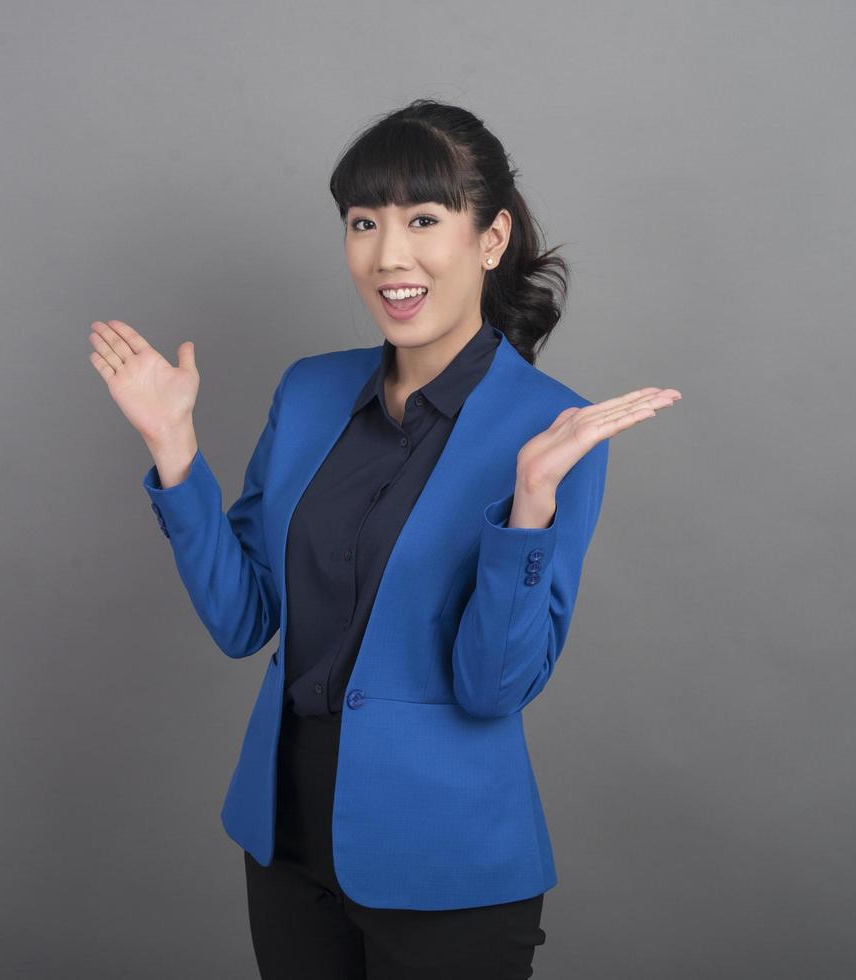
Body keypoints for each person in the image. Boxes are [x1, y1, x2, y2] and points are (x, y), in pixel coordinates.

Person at [90, 98, 680, 979]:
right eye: (363, 222)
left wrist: (528, 504)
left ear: (490, 238)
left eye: (424, 220)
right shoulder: (310, 393)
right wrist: (175, 452)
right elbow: (243, 621)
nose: (388, 255)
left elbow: (494, 687)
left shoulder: (553, 432)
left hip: (447, 864)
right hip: (286, 839)